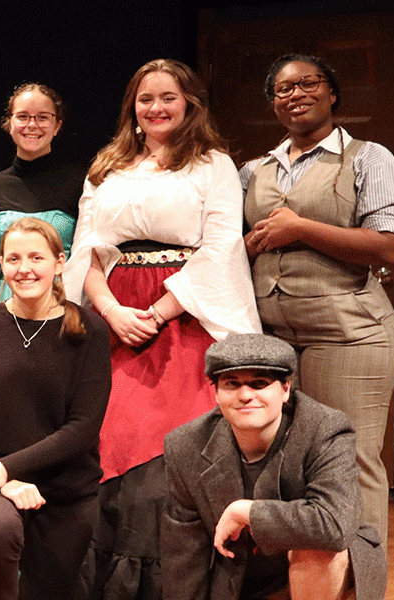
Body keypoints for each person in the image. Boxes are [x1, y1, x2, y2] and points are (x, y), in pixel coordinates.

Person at [66, 58, 259, 600]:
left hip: (187, 317)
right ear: (133, 105)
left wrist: (160, 312)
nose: (156, 108)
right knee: (106, 437)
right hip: (115, 318)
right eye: (145, 98)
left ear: (189, 103)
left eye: (167, 97)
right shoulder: (106, 166)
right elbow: (86, 249)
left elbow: (222, 246)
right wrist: (110, 311)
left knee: (172, 446)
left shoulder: (213, 165)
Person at [240, 54, 394, 544]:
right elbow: (234, 245)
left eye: (308, 84)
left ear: (332, 93)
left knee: (351, 459)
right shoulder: (253, 171)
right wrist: (249, 245)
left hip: (350, 334)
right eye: (282, 89)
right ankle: (301, 581)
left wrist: (300, 228)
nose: (295, 95)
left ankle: (362, 582)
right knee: (287, 462)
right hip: (274, 339)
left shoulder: (369, 158)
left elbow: (386, 246)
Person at [0, 217, 110, 600]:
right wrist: (3, 478)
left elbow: (82, 427)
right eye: (14, 259)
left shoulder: (90, 330)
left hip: (65, 483)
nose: (24, 269)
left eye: (36, 257)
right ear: (2, 265)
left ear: (59, 262)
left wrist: (9, 469)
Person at [162, 334, 386, 600]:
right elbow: (184, 555)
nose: (245, 395)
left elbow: (334, 525)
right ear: (216, 394)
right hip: (240, 579)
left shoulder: (325, 429)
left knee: (314, 549)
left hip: (320, 572)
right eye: (231, 384)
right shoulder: (186, 445)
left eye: (259, 383)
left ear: (285, 390)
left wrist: (247, 511)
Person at [0, 83, 84, 305]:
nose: (32, 125)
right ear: (9, 123)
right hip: (4, 306)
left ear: (57, 126)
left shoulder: (79, 182)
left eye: (42, 117)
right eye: (23, 116)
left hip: (63, 303)